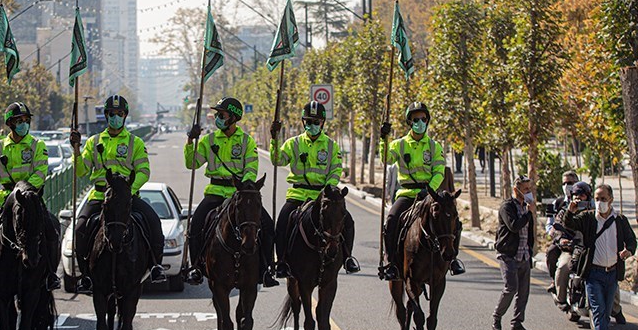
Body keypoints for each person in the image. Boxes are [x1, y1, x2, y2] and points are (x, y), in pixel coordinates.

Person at [70, 94, 166, 294]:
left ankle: (156, 266)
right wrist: (76, 150)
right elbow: (80, 171)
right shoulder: (93, 142)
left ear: (125, 116)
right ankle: (85, 275)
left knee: (154, 222)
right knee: (79, 228)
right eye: (112, 114)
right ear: (106, 116)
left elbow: (143, 172)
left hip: (128, 199)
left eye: (120, 114)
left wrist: (127, 192)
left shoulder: (135, 142)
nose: (116, 117)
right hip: (99, 197)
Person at [184, 97, 278, 288]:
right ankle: (195, 268)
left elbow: (252, 168)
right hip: (215, 192)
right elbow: (191, 163)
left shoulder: (246, 141)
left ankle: (267, 269)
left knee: (267, 226)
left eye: (221, 114)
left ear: (233, 117)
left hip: (240, 194)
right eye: (217, 114)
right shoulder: (209, 140)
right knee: (196, 224)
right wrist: (190, 141)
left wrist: (243, 187)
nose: (217, 117)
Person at [0, 101, 60, 294]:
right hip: (5, 200)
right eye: (19, 120)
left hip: (30, 199)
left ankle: (51, 275)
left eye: (26, 120)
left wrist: (26, 191)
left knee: (52, 231)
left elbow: (40, 172)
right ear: (10, 124)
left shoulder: (37, 145)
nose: (24, 124)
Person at [270, 100, 361, 279]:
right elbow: (277, 160)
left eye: (316, 122)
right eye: (309, 122)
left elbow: (336, 169)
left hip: (322, 196)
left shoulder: (331, 145)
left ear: (323, 123)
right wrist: (275, 139)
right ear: (304, 123)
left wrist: (329, 189)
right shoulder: (293, 143)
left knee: (348, 221)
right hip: (298, 195)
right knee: (281, 223)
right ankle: (281, 262)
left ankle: (348, 258)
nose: (312, 126)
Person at [378, 102, 465, 281]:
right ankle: (391, 263)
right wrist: (383, 138)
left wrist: (430, 191)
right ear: (410, 122)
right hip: (407, 195)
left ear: (428, 121)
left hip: (429, 196)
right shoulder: (399, 144)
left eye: (423, 119)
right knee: (392, 221)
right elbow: (386, 159)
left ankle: (452, 259)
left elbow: (439, 172)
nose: (420, 122)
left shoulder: (435, 147)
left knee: (454, 221)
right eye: (416, 119)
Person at [562, 184, 636, 330]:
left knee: (604, 315)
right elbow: (569, 224)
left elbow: (632, 241)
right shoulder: (588, 218)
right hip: (593, 274)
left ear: (611, 199)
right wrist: (569, 212)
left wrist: (627, 252)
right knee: (597, 311)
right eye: (597, 198)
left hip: (611, 274)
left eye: (603, 198)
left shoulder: (619, 220)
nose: (599, 202)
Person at [491, 175, 535, 330]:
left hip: (524, 254)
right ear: (516, 190)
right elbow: (514, 226)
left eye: (529, 189)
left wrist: (530, 250)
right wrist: (529, 214)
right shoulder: (507, 207)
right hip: (508, 254)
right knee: (511, 287)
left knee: (523, 291)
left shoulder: (526, 207)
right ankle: (497, 316)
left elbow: (529, 231)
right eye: (525, 189)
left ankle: (517, 321)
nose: (529, 192)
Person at [550, 180, 590, 314]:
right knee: (563, 266)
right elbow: (555, 229)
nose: (579, 198)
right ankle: (561, 299)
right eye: (575, 195)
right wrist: (561, 239)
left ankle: (615, 308)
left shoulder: (594, 213)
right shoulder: (564, 213)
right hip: (571, 250)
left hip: (590, 251)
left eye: (582, 195)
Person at [544, 170, 579, 294]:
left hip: (581, 240)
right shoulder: (557, 203)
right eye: (564, 183)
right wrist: (557, 237)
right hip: (562, 240)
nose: (567, 186)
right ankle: (555, 281)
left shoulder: (588, 202)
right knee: (551, 252)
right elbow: (550, 225)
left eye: (570, 183)